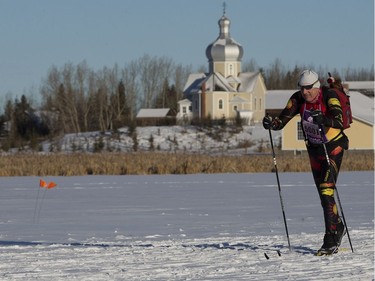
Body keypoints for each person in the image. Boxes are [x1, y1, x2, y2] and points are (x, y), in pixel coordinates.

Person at [262, 69, 349, 255]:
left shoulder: (329, 95)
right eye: (302, 88)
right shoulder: (297, 99)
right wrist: (271, 123)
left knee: (327, 189)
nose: (305, 92)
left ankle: (331, 237)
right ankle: (338, 225)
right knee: (322, 194)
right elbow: (282, 120)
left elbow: (339, 120)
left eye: (309, 88)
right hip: (314, 149)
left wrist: (324, 119)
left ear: (317, 86)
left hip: (333, 147)